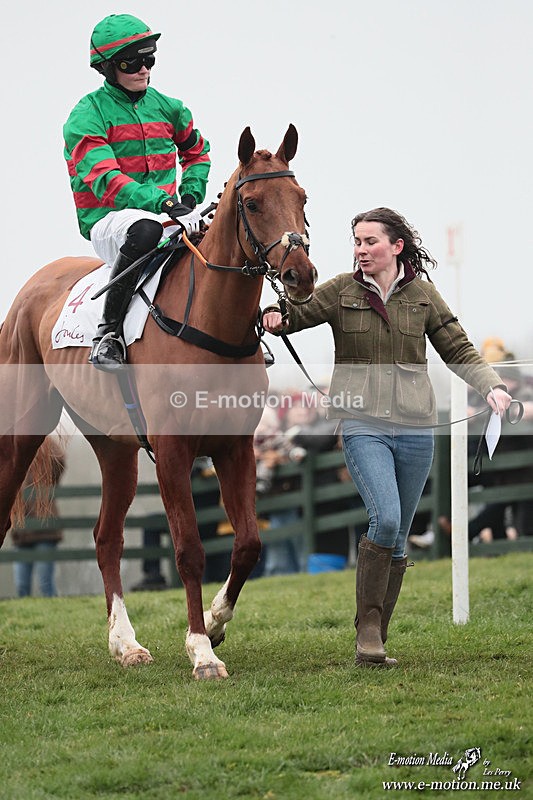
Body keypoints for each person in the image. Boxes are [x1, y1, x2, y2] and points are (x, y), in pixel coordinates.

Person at [263, 207, 513, 667]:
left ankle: (373, 640)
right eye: (356, 241)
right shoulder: (341, 290)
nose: (361, 249)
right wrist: (276, 316)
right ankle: (369, 635)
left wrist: (491, 385)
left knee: (397, 537)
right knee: (388, 519)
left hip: (416, 428)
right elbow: (298, 312)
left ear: (395, 247)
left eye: (370, 241)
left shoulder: (423, 295)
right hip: (362, 425)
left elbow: (458, 346)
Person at [63, 13, 211, 371]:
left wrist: (189, 197)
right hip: (110, 220)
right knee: (146, 229)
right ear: (108, 67)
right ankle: (108, 333)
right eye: (133, 62)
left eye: (150, 59)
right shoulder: (86, 115)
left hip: (168, 213)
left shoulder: (170, 107)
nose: (144, 70)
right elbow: (107, 179)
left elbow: (197, 153)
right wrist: (164, 202)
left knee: (225, 237)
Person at [11, 438, 66, 598]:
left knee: (45, 584)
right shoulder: (14, 467)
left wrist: (40, 437)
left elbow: (60, 461)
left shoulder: (46, 469)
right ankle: (23, 620)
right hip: (21, 534)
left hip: (45, 532)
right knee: (21, 586)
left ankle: (53, 618)